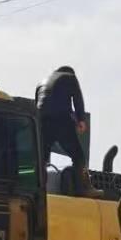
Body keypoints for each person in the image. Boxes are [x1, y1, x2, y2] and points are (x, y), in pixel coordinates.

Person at [36, 66, 101, 198]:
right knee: (78, 155)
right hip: (61, 119)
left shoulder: (41, 82)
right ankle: (84, 188)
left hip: (42, 121)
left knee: (41, 159)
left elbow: (37, 104)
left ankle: (39, 188)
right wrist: (81, 120)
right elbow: (77, 98)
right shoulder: (69, 77)